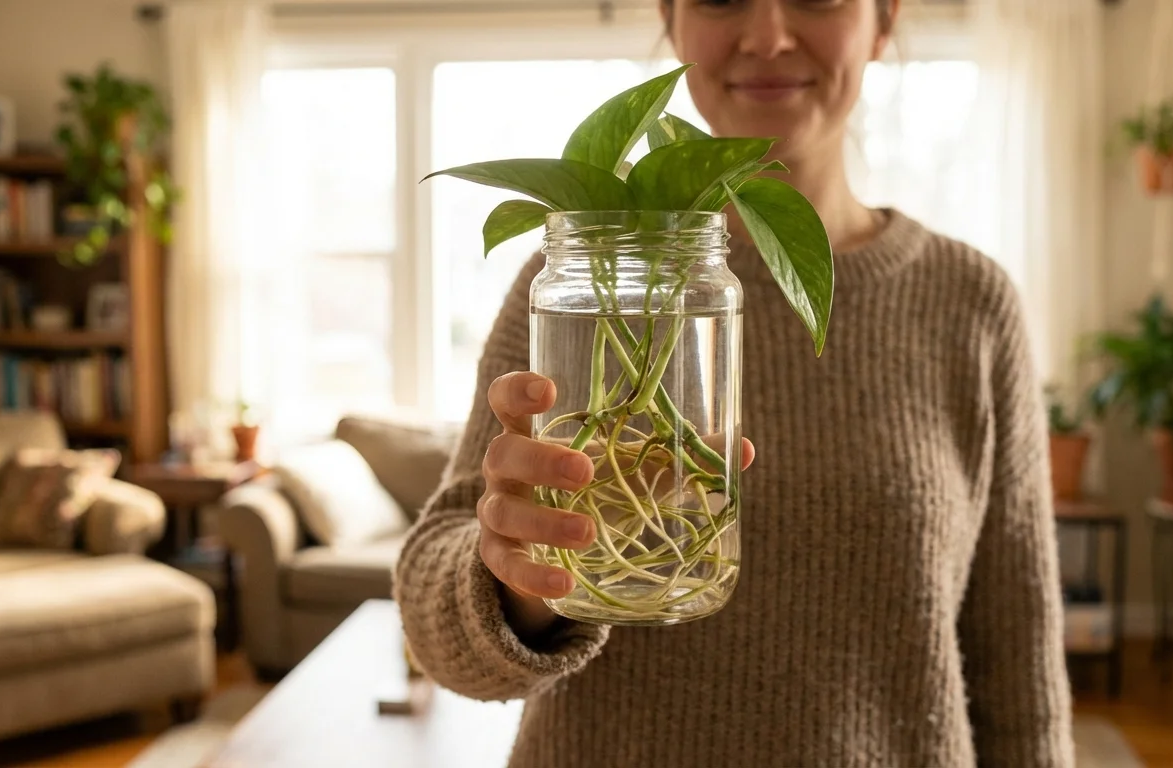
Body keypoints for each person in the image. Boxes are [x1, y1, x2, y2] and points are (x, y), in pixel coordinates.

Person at [393, 0, 1075, 765]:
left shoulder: (970, 304)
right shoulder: (588, 271)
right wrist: (521, 584)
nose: (768, 36)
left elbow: (1019, 669)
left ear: (883, 23)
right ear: (672, 20)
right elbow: (433, 615)